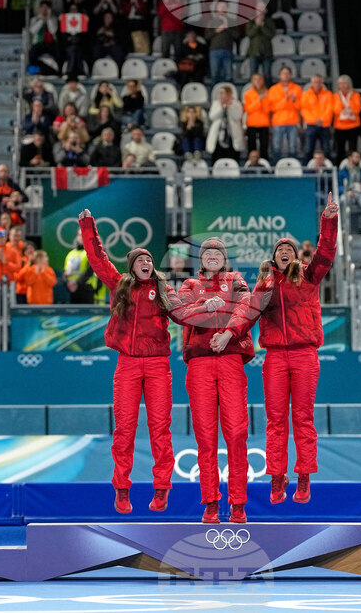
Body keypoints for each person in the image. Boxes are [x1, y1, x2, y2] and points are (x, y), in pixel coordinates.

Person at [80, 210, 192, 513]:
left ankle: (161, 488)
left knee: (160, 429)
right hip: (128, 364)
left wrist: (210, 309)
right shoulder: (121, 286)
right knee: (124, 430)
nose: (146, 263)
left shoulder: (165, 291)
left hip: (157, 366)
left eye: (150, 261)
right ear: (131, 267)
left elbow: (184, 315)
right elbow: (98, 258)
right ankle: (121, 488)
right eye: (141, 261)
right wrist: (88, 225)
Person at [249, 193, 338, 505]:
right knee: (275, 420)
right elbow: (247, 314)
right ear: (274, 259)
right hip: (273, 357)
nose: (285, 252)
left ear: (297, 256)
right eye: (279, 250)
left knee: (302, 417)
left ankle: (303, 475)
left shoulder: (309, 276)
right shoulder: (265, 284)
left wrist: (328, 221)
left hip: (304, 355)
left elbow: (327, 252)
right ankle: (276, 475)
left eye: (289, 249)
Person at [177, 237, 256, 524]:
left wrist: (228, 334)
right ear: (200, 259)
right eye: (207, 252)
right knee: (206, 438)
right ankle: (211, 502)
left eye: (217, 252)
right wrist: (204, 304)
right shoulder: (188, 285)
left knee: (236, 433)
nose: (212, 256)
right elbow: (182, 313)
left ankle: (238, 503)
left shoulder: (236, 280)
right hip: (198, 363)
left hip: (231, 360)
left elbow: (246, 308)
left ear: (224, 258)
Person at [268, 67, 302, 164]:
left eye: (287, 73)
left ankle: (293, 167)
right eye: (283, 73)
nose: (285, 76)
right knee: (277, 147)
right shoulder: (273, 89)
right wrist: (285, 100)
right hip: (278, 122)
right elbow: (272, 107)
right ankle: (276, 168)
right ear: (280, 76)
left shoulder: (297, 88)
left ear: (290, 75)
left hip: (292, 121)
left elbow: (300, 106)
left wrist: (294, 101)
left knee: (293, 147)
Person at [207, 86, 244, 162]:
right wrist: (222, 107)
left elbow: (238, 116)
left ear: (229, 94)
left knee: (232, 159)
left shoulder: (236, 103)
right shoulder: (216, 103)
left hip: (232, 136)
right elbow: (212, 116)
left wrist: (229, 106)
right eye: (220, 93)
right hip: (218, 136)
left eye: (223, 93)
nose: (221, 95)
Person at [332, 75, 361, 163]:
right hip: (340, 126)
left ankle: (354, 165)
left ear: (349, 84)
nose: (343, 86)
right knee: (340, 149)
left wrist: (349, 101)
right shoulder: (335, 96)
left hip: (353, 125)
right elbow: (336, 110)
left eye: (345, 83)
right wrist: (343, 103)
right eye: (340, 84)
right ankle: (340, 167)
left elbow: (357, 109)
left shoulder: (355, 95)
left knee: (353, 149)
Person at [243, 73, 271, 158]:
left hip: (264, 123)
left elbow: (268, 109)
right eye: (255, 79)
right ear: (252, 82)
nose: (257, 82)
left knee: (264, 147)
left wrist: (262, 101)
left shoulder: (268, 93)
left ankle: (264, 167)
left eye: (259, 79)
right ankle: (251, 166)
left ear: (262, 81)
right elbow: (248, 109)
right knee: (251, 147)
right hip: (252, 123)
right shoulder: (248, 94)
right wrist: (258, 100)